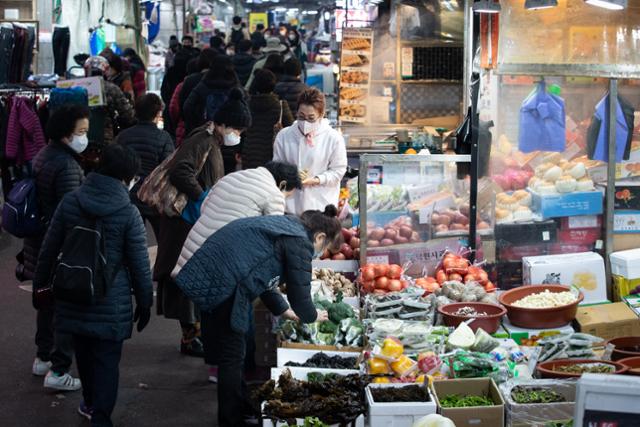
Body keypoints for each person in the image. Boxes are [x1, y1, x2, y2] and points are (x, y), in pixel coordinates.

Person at [175, 206, 340, 427]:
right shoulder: (300, 241)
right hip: (227, 283)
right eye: (324, 247)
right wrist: (311, 316)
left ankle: (241, 406)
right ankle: (231, 420)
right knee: (232, 355)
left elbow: (263, 275)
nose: (320, 253)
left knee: (235, 351)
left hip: (218, 274)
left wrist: (283, 310)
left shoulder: (288, 227)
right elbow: (300, 297)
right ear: (320, 236)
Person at [33, 143, 153, 427]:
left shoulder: (72, 201)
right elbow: (139, 264)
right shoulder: (128, 212)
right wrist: (145, 302)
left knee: (84, 357)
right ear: (127, 178)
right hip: (111, 300)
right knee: (107, 363)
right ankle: (101, 417)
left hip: (72, 294)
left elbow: (48, 250)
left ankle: (88, 403)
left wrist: (40, 287)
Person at [172, 161, 301, 382]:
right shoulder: (273, 194)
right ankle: (238, 376)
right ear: (282, 184)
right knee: (238, 321)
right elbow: (272, 237)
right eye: (288, 194)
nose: (286, 199)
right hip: (225, 262)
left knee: (211, 311)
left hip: (195, 253)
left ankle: (215, 367)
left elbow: (205, 209)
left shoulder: (231, 177)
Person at [154, 88, 251, 358]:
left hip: (193, 220)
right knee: (185, 278)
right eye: (236, 130)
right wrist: (203, 197)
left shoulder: (212, 141)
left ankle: (192, 334)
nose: (237, 136)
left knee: (189, 279)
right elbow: (180, 169)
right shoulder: (203, 139)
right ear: (222, 124)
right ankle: (190, 337)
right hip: (184, 221)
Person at [25, 104, 89, 392]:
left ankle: (42, 358)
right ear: (66, 134)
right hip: (60, 245)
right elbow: (71, 211)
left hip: (40, 242)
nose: (84, 138)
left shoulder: (44, 154)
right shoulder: (66, 165)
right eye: (81, 132)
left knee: (48, 302)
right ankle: (58, 368)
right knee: (65, 308)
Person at [273, 88, 347, 215]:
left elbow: (338, 171)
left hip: (321, 206)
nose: (305, 122)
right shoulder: (284, 135)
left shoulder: (333, 138)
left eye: (311, 118)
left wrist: (316, 180)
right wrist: (290, 177)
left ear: (321, 115)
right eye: (301, 117)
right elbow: (277, 167)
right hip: (290, 207)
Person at [115, 93, 174, 239]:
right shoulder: (164, 137)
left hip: (128, 197)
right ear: (158, 113)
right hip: (154, 198)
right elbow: (169, 168)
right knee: (164, 242)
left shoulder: (123, 136)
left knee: (133, 241)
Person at [243, 69, 293, 170]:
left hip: (250, 153)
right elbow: (291, 129)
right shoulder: (280, 106)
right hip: (272, 154)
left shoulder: (247, 104)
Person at [83, 56, 136, 146]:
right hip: (105, 138)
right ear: (105, 70)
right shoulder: (112, 88)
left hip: (79, 137)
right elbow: (128, 115)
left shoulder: (77, 87)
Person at [183, 55, 240, 134]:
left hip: (205, 131)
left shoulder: (204, 85)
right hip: (229, 132)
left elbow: (187, 107)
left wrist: (198, 122)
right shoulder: (235, 86)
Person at [169, 58, 199, 147]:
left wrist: (178, 122)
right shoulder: (206, 85)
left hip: (183, 129)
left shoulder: (182, 85)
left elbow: (173, 108)